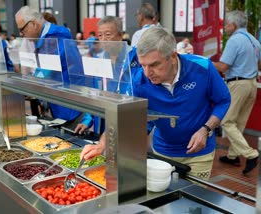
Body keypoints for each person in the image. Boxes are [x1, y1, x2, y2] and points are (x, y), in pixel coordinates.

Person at [81, 27, 231, 180]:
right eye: (143, 65)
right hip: (162, 151)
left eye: (154, 65)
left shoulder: (203, 67)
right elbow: (124, 116)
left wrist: (205, 129)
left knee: (194, 200)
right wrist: (102, 145)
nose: (147, 72)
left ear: (173, 57)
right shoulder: (139, 81)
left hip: (199, 154)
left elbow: (223, 100)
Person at [15, 6, 82, 126]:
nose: (21, 34)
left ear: (33, 24)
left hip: (70, 100)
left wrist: (30, 86)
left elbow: (47, 67)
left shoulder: (55, 35)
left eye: (22, 30)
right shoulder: (44, 37)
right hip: (58, 97)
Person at [213, 10, 261, 175]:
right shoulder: (255, 41)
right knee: (239, 122)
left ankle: (251, 154)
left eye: (226, 24)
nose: (225, 27)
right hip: (252, 84)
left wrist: (204, 62)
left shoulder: (234, 40)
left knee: (226, 121)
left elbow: (223, 66)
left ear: (233, 25)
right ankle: (233, 156)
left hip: (238, 84)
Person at [74, 16, 132, 135]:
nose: (104, 39)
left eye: (108, 34)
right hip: (103, 120)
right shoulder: (99, 59)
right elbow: (94, 93)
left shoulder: (132, 60)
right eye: (100, 35)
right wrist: (87, 120)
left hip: (125, 119)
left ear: (120, 35)